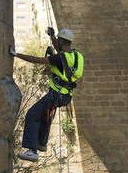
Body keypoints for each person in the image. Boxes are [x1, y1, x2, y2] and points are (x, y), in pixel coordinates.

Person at [9, 27, 84, 163]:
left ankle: (32, 150)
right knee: (45, 114)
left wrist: (16, 54)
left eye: (58, 41)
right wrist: (53, 37)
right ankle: (41, 144)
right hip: (66, 96)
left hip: (57, 94)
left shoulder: (59, 58)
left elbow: (37, 60)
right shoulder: (78, 56)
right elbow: (61, 51)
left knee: (32, 114)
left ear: (62, 41)